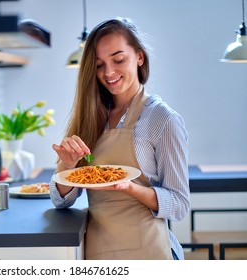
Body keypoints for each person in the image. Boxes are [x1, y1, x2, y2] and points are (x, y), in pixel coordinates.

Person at [50, 17, 190, 260]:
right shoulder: (91, 116)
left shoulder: (162, 118)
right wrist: (67, 165)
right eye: (99, 65)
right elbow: (61, 202)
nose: (109, 72)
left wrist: (130, 188)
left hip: (149, 251)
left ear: (139, 57)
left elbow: (179, 203)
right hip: (97, 250)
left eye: (118, 59)